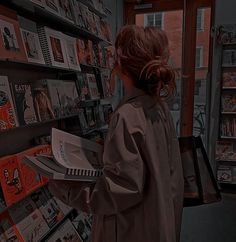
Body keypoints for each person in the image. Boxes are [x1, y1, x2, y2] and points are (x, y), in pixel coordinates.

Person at [49, 25, 184, 242]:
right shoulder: (159, 108)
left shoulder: (126, 116)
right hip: (158, 225)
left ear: (121, 65)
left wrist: (64, 188)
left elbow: (118, 191)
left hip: (129, 231)